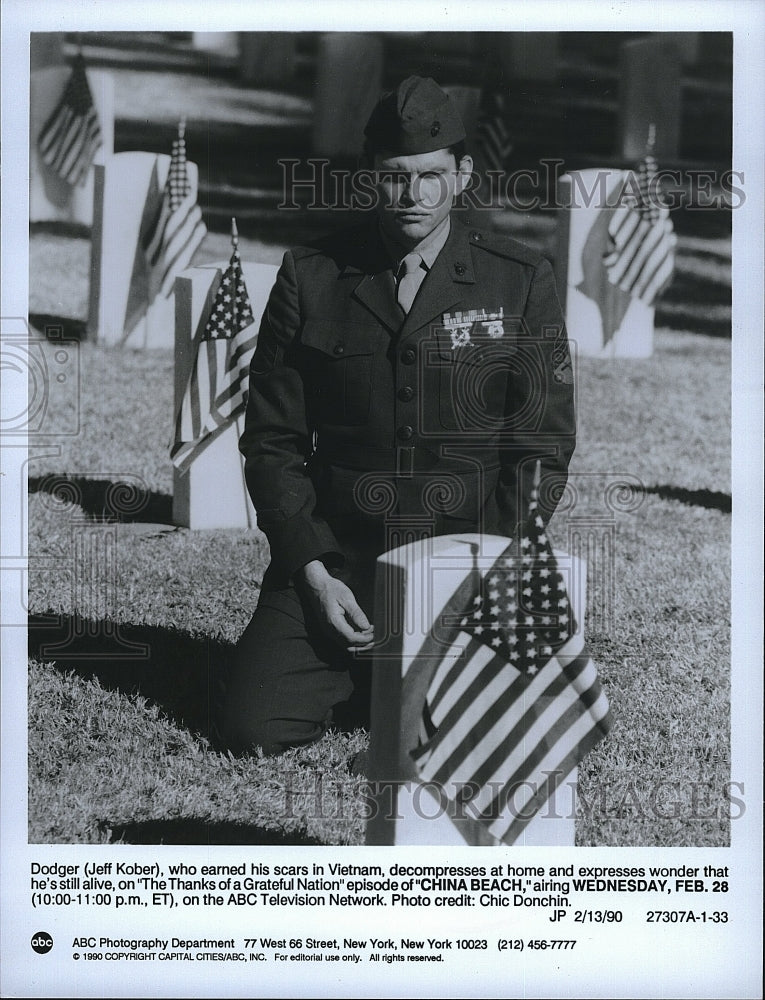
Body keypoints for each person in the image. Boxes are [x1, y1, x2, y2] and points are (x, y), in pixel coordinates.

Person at [219, 76, 576, 756]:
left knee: (476, 739)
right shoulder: (312, 275)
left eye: (430, 176)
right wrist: (313, 573)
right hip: (342, 557)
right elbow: (272, 442)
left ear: (463, 175)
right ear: (369, 178)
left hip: (465, 561)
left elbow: (542, 449)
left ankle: (390, 674)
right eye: (393, 177)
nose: (412, 196)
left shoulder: (519, 280)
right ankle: (368, 666)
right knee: (255, 729)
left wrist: (488, 567)